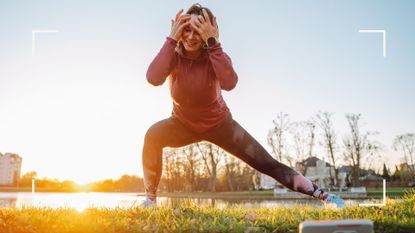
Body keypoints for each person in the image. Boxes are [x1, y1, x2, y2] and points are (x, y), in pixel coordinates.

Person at [141, 3, 344, 208]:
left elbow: (230, 83)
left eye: (198, 30)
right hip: (182, 124)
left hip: (221, 126)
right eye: (186, 29)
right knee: (153, 136)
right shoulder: (173, 56)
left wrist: (213, 42)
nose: (191, 36)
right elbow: (153, 77)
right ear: (177, 29)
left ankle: (327, 198)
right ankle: (150, 200)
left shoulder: (214, 54)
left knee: (268, 163)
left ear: (208, 32)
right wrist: (170, 40)